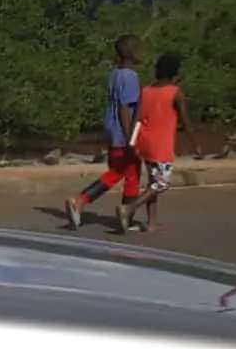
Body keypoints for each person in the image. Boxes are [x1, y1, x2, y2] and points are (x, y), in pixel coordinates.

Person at [66, 35, 145, 233]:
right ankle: (81, 200)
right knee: (124, 172)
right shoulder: (130, 76)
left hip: (112, 130)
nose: (143, 53)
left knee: (126, 172)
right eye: (140, 49)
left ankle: (126, 216)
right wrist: (131, 139)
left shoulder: (115, 74)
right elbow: (125, 109)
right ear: (132, 52)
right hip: (122, 132)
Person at [132, 50, 191, 234]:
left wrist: (133, 142)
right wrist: (195, 141)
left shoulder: (146, 91)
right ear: (175, 72)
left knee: (152, 183)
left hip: (145, 142)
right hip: (161, 146)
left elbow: (138, 118)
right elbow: (186, 121)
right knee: (162, 183)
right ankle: (130, 208)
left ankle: (152, 223)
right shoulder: (175, 93)